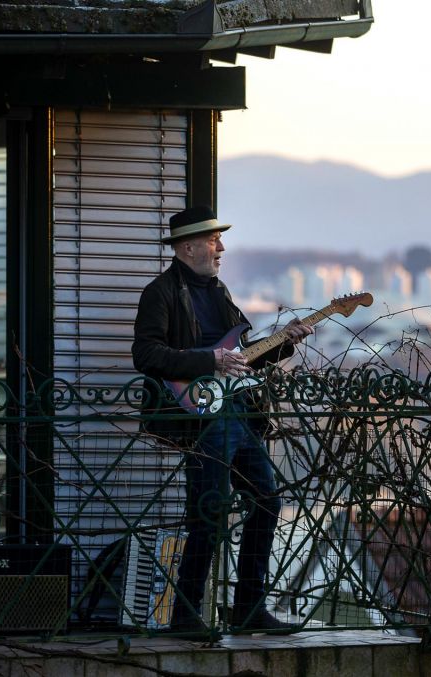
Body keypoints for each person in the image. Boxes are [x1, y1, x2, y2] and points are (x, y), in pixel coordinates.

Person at [132, 205, 312, 634]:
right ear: (188, 246)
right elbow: (146, 355)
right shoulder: (160, 293)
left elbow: (242, 358)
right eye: (214, 241)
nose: (221, 247)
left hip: (238, 415)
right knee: (209, 512)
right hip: (199, 418)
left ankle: (248, 609)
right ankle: (185, 616)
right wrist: (207, 360)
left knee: (267, 504)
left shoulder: (219, 291)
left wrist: (285, 343)